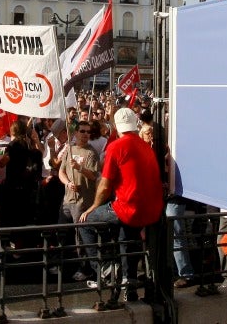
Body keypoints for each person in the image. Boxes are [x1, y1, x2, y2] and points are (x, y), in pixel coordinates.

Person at [78, 107, 162, 290]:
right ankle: (127, 281)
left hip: (129, 208)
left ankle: (105, 269)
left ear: (116, 126)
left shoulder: (115, 146)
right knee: (126, 236)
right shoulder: (146, 146)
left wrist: (92, 207)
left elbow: (105, 185)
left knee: (84, 223)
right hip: (151, 209)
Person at [56, 120, 99, 281]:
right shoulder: (70, 150)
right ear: (75, 133)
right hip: (67, 199)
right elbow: (61, 172)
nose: (86, 134)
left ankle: (86, 268)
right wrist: (68, 183)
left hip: (83, 201)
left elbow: (93, 175)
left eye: (88, 132)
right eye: (83, 131)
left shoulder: (91, 153)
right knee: (62, 232)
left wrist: (79, 168)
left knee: (80, 237)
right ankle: (62, 263)